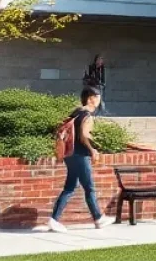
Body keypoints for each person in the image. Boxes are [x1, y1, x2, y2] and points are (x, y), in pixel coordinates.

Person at [47, 86, 110, 232]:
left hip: (69, 154)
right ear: (91, 98)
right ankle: (98, 218)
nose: (99, 99)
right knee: (89, 188)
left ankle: (54, 220)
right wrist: (92, 149)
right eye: (98, 96)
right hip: (81, 155)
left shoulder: (76, 112)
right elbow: (83, 135)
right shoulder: (86, 115)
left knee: (70, 187)